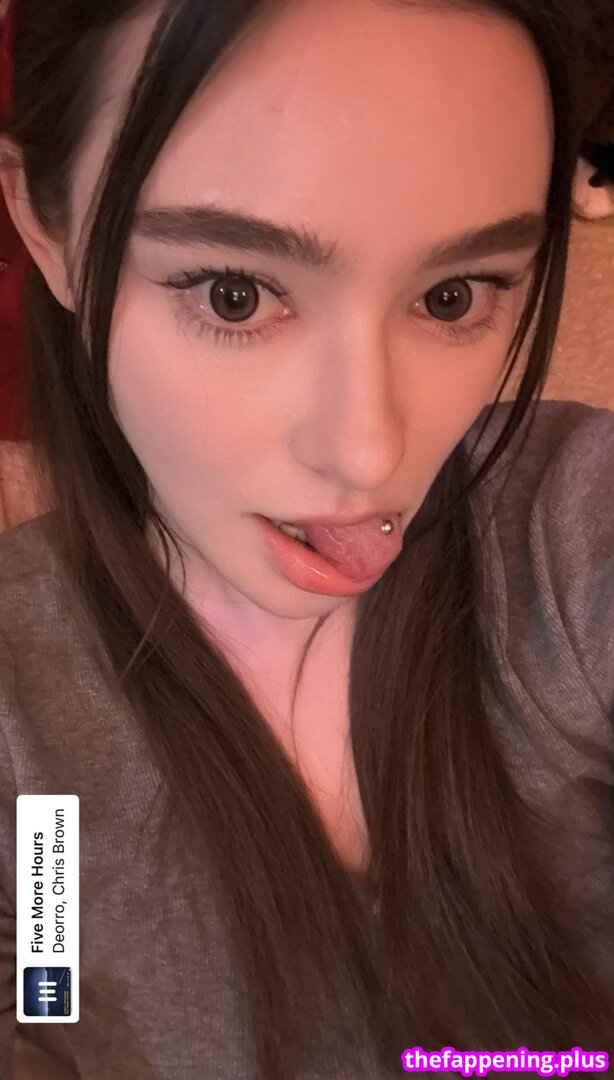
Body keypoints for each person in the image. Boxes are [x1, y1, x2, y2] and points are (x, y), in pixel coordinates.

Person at [0, 0, 613, 1077]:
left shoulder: (572, 527)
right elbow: (37, 1012)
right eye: (235, 295)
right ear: (46, 227)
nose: (368, 454)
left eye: (452, 296)